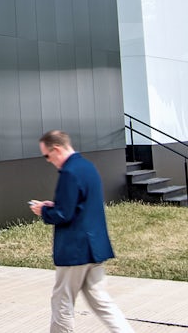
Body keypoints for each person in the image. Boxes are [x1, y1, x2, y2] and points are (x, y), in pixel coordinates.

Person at [30, 130, 134, 333]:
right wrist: (55, 205)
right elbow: (80, 204)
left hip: (75, 249)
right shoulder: (87, 166)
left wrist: (43, 210)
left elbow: (63, 214)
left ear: (57, 149)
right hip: (94, 247)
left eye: (47, 156)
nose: (48, 161)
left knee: (62, 301)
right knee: (101, 301)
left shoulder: (69, 172)